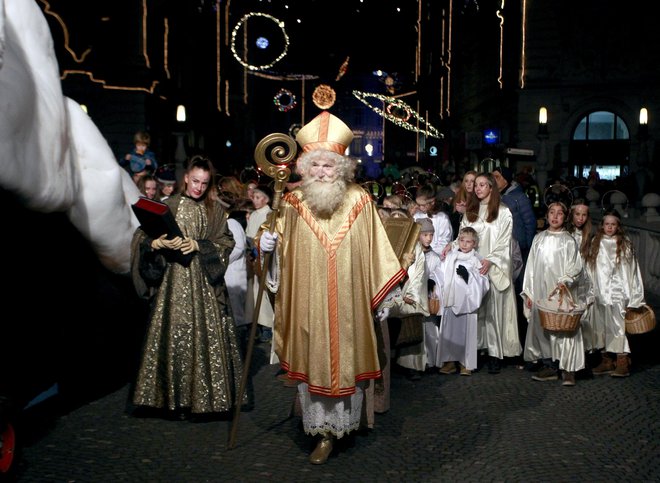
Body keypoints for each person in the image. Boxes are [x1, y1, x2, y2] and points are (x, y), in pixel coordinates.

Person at [257, 111, 406, 464]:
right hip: (308, 303)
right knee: (315, 363)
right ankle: (321, 432)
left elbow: (377, 252)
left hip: (348, 305)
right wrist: (267, 248)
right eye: (315, 166)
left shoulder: (360, 202)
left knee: (346, 364)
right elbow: (277, 244)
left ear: (341, 168)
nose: (322, 172)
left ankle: (344, 427)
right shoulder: (292, 204)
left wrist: (383, 294)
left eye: (329, 166)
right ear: (304, 168)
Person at [130, 155, 244, 418]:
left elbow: (226, 244)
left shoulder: (214, 211)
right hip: (172, 284)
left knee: (204, 340)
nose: (199, 188)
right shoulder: (167, 205)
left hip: (204, 285)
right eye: (195, 181)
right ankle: (170, 399)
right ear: (185, 178)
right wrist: (154, 244)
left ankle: (205, 400)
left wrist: (199, 245)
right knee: (174, 336)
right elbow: (142, 236)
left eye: (204, 183)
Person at [443, 173, 521, 373]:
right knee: (476, 311)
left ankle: (495, 353)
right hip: (472, 266)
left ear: (491, 188)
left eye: (482, 185)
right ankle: (475, 350)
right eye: (476, 185)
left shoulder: (503, 212)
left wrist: (491, 260)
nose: (477, 189)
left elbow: (504, 242)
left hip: (492, 266)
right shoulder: (471, 210)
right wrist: (451, 246)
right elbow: (464, 235)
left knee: (494, 311)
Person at [521, 202, 587, 386]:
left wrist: (566, 279)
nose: (555, 216)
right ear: (547, 215)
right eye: (552, 212)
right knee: (544, 326)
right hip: (542, 291)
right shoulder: (539, 238)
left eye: (559, 213)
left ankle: (568, 368)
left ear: (565, 217)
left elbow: (576, 265)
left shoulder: (568, 240)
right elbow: (531, 267)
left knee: (564, 328)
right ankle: (549, 363)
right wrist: (529, 293)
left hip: (561, 291)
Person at [586, 209, 645, 378]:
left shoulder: (624, 244)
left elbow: (632, 270)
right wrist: (591, 290)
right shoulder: (596, 242)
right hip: (600, 292)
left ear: (618, 226)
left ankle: (622, 360)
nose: (610, 227)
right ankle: (606, 359)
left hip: (619, 293)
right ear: (602, 225)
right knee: (602, 325)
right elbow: (591, 268)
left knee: (618, 326)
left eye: (613, 224)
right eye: (607, 224)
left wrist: (634, 295)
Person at [436, 227, 490, 376]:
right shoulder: (451, 257)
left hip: (467, 304)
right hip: (451, 302)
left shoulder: (476, 260)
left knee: (465, 334)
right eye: (462, 240)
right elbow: (440, 273)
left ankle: (465, 363)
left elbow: (483, 282)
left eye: (468, 242)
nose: (464, 244)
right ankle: (449, 362)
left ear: (474, 244)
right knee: (449, 332)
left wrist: (469, 277)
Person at [567, 199, 597, 374]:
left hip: (584, 279)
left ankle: (584, 355)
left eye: (584, 215)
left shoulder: (588, 235)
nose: (580, 218)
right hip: (570, 277)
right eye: (577, 214)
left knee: (584, 314)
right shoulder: (567, 233)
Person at [245, 184, 275, 343]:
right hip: (252, 257)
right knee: (253, 293)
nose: (255, 200)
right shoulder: (255, 214)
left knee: (263, 293)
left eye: (258, 197)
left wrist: (256, 251)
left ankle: (267, 326)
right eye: (254, 197)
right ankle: (254, 323)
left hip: (262, 259)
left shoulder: (269, 214)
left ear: (266, 199)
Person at [413, 183, 453, 255]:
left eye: (423, 205)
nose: (420, 208)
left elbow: (445, 242)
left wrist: (428, 251)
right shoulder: (416, 216)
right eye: (418, 205)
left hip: (437, 257)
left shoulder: (442, 218)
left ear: (432, 202)